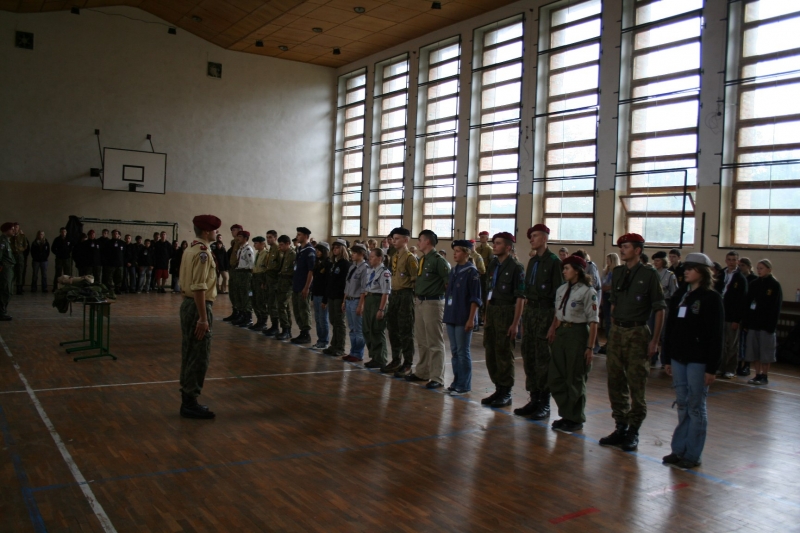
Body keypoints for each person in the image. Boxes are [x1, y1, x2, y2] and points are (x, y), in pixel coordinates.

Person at [600, 233, 666, 452]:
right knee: (615, 381)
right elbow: (613, 303)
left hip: (637, 331)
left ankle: (634, 429)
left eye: (626, 246)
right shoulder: (618, 272)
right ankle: (621, 426)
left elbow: (659, 309)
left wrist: (655, 340)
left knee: (636, 383)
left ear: (637, 250)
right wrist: (612, 327)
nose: (622, 250)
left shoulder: (649, 274)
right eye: (621, 246)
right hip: (618, 331)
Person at [662, 252, 724, 470]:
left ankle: (693, 453)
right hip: (678, 357)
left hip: (698, 360)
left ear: (703, 272)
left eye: (691, 268)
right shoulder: (681, 295)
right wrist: (666, 357)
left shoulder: (711, 298)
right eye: (685, 268)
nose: (686, 272)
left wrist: (712, 367)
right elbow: (670, 328)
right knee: (682, 404)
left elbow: (716, 335)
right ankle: (679, 449)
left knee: (696, 406)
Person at [546, 254, 599, 433]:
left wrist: (590, 347)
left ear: (577, 271)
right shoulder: (562, 289)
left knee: (575, 377)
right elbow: (558, 312)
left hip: (578, 333)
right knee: (556, 376)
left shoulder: (587, 292)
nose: (564, 271)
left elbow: (594, 321)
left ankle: (575, 418)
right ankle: (566, 413)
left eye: (567, 268)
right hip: (562, 333)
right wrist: (553, 328)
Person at [516, 224, 563, 419]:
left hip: (546, 312)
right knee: (529, 356)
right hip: (531, 312)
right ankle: (534, 398)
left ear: (544, 238)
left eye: (535, 236)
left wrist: (554, 324)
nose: (531, 239)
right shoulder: (533, 261)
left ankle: (544, 403)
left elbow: (560, 295)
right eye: (531, 236)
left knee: (543, 359)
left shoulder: (554, 262)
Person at [178, 214, 221, 419]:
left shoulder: (191, 248)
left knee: (190, 352)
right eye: (214, 229)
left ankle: (188, 398)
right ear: (206, 231)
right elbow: (199, 287)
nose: (217, 232)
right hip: (198, 306)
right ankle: (190, 401)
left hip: (188, 304)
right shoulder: (203, 252)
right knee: (199, 355)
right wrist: (203, 318)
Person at [482, 232, 526, 408]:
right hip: (493, 310)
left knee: (504, 353)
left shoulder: (516, 267)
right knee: (491, 351)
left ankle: (506, 391)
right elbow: (489, 289)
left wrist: (515, 323)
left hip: (506, 311)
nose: (494, 245)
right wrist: (486, 313)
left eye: (498, 243)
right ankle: (498, 388)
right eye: (494, 242)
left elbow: (520, 297)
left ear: (508, 247)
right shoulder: (493, 264)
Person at [407, 230, 451, 388]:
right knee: (422, 340)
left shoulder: (439, 261)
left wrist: (449, 305)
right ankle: (423, 372)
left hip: (433, 303)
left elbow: (448, 284)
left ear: (427, 241)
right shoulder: (423, 259)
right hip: (420, 301)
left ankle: (437, 377)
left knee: (434, 341)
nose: (417, 243)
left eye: (420, 240)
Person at [443, 240, 482, 395]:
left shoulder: (472, 272)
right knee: (454, 351)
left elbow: (475, 298)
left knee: (462, 351)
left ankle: (464, 384)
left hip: (463, 316)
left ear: (466, 253)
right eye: (454, 251)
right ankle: (456, 380)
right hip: (452, 314)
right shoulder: (454, 270)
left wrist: (471, 319)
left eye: (458, 251)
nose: (455, 254)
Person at [383, 227, 418, 375]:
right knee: (393, 328)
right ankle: (396, 359)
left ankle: (408, 362)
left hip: (405, 294)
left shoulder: (410, 258)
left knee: (405, 329)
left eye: (397, 239)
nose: (394, 241)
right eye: (393, 239)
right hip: (394, 294)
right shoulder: (395, 256)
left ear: (406, 240)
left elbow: (415, 279)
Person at [743, 259, 783, 385]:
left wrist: (772, 326)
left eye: (762, 268)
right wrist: (746, 322)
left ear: (769, 269)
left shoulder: (774, 285)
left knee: (765, 352)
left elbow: (776, 307)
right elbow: (748, 303)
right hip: (754, 323)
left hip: (766, 325)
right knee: (754, 351)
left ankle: (764, 375)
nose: (759, 271)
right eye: (758, 268)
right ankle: (757, 374)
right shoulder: (754, 284)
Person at [715, 251, 748, 379]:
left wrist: (737, 319)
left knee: (732, 344)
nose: (731, 262)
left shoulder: (740, 278)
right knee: (721, 343)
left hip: (732, 316)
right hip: (720, 315)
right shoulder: (721, 275)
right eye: (729, 259)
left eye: (734, 260)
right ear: (725, 260)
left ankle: (730, 368)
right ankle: (720, 367)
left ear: (738, 261)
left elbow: (742, 301)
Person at [358, 248, 391, 368]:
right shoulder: (371, 271)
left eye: (372, 257)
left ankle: (380, 358)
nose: (369, 259)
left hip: (378, 300)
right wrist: (362, 304)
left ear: (380, 258)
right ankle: (374, 356)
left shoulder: (384, 272)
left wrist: (381, 309)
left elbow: (385, 293)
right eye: (369, 257)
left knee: (376, 330)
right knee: (367, 329)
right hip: (369, 299)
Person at [323, 239, 351, 358]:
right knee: (333, 321)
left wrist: (344, 299)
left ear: (343, 249)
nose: (335, 250)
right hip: (332, 295)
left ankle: (340, 346)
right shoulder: (334, 263)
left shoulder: (345, 264)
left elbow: (345, 283)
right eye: (334, 248)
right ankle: (334, 345)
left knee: (339, 322)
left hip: (339, 296)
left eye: (337, 248)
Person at [651, 251, 679, 367]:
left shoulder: (670, 275)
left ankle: (664, 359)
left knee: (663, 333)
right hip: (652, 305)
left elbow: (674, 292)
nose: (655, 263)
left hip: (665, 304)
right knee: (651, 330)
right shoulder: (652, 273)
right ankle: (652, 357)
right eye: (654, 261)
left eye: (658, 261)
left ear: (663, 261)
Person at [342, 243, 369, 361]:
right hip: (349, 300)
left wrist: (360, 305)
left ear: (361, 254)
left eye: (354, 253)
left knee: (358, 329)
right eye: (352, 252)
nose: (352, 255)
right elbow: (347, 285)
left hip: (357, 300)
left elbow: (364, 289)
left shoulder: (365, 268)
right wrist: (344, 301)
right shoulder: (352, 266)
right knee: (352, 328)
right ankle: (352, 352)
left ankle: (358, 353)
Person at [290, 227, 316, 344]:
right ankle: (302, 331)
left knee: (304, 310)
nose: (297, 237)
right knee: (297, 309)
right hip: (297, 284)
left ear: (306, 236)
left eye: (299, 235)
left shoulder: (309, 251)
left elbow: (311, 271)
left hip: (303, 286)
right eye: (297, 234)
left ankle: (306, 333)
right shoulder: (300, 249)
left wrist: (306, 287)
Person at [736, 257, 757, 376]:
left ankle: (747, 365)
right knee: (739, 341)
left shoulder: (753, 280)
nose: (740, 268)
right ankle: (738, 363)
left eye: (743, 265)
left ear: (749, 267)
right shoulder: (738, 278)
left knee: (748, 342)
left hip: (750, 313)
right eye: (739, 265)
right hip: (740, 311)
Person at [231, 231, 255, 328]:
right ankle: (242, 316)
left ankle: (248, 318)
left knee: (246, 295)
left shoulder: (248, 249)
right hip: (239, 273)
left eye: (240, 236)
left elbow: (251, 264)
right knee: (240, 295)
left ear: (245, 238)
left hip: (245, 274)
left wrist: (249, 276)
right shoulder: (241, 249)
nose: (238, 238)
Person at [274, 235, 296, 340]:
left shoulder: (293, 254)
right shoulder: (284, 253)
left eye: (282, 245)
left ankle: (286, 329)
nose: (280, 247)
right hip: (282, 282)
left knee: (282, 306)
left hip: (287, 283)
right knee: (283, 306)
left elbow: (293, 271)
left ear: (288, 244)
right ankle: (286, 329)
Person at [262, 230, 283, 337]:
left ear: (275, 238)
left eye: (270, 237)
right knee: (270, 304)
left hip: (275, 281)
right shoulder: (270, 250)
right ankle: (273, 325)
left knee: (273, 305)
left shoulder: (278, 250)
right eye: (267, 237)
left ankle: (276, 327)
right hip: (269, 281)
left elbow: (280, 266)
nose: (268, 239)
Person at [599, 253, 620, 354]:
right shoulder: (606, 271)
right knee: (607, 320)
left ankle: (613, 343)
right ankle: (607, 341)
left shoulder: (617, 272)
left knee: (611, 320)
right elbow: (602, 284)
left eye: (609, 260)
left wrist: (607, 287)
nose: (607, 262)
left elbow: (615, 286)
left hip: (612, 296)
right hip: (605, 296)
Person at [311, 241, 331, 348]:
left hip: (323, 295)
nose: (317, 252)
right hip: (316, 294)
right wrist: (312, 295)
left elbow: (328, 283)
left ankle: (324, 340)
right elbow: (315, 281)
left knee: (323, 319)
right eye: (316, 250)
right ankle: (320, 339)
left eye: (319, 250)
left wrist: (325, 299)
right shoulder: (317, 263)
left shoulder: (328, 264)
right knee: (318, 319)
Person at [249, 236, 270, 331]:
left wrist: (264, 282)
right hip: (255, 277)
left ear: (262, 244)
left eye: (256, 243)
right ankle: (259, 320)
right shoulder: (258, 253)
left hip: (261, 278)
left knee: (261, 301)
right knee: (254, 300)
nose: (254, 245)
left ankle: (263, 322)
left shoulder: (266, 254)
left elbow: (266, 269)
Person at [475, 231, 493, 327]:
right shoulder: (477, 249)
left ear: (487, 238)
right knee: (478, 293)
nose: (481, 238)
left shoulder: (489, 250)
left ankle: (484, 316)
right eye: (481, 237)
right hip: (478, 273)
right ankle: (478, 316)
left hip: (486, 274)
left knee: (485, 294)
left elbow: (491, 263)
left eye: (483, 237)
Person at [0, 222, 17, 321]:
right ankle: (1, 313)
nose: (14, 231)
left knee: (9, 291)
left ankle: (3, 311)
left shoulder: (7, 241)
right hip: (5, 269)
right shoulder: (2, 241)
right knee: (5, 290)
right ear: (6, 230)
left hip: (9, 268)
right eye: (12, 229)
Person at [102, 229, 125, 296]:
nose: (115, 235)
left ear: (118, 235)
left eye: (116, 233)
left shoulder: (122, 243)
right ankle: (111, 289)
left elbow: (124, 253)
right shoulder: (108, 243)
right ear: (112, 235)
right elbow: (105, 253)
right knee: (109, 277)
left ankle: (117, 288)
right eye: (114, 234)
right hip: (110, 263)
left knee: (119, 276)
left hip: (120, 263)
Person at [51, 227, 73, 293]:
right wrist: (57, 253)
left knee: (67, 273)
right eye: (62, 232)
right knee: (58, 273)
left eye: (64, 231)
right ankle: (56, 287)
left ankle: (68, 287)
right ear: (60, 232)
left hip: (67, 258)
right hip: (59, 258)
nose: (63, 233)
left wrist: (68, 253)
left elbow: (71, 247)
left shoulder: (69, 239)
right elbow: (53, 248)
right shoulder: (57, 239)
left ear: (66, 232)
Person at [10, 223, 29, 295]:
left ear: (19, 228)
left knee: (20, 272)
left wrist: (20, 249)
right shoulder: (10, 236)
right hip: (12, 255)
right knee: (11, 272)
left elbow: (25, 245)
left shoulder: (22, 236)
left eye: (17, 227)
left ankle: (19, 288)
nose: (16, 228)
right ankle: (10, 288)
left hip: (20, 255)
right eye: (14, 227)